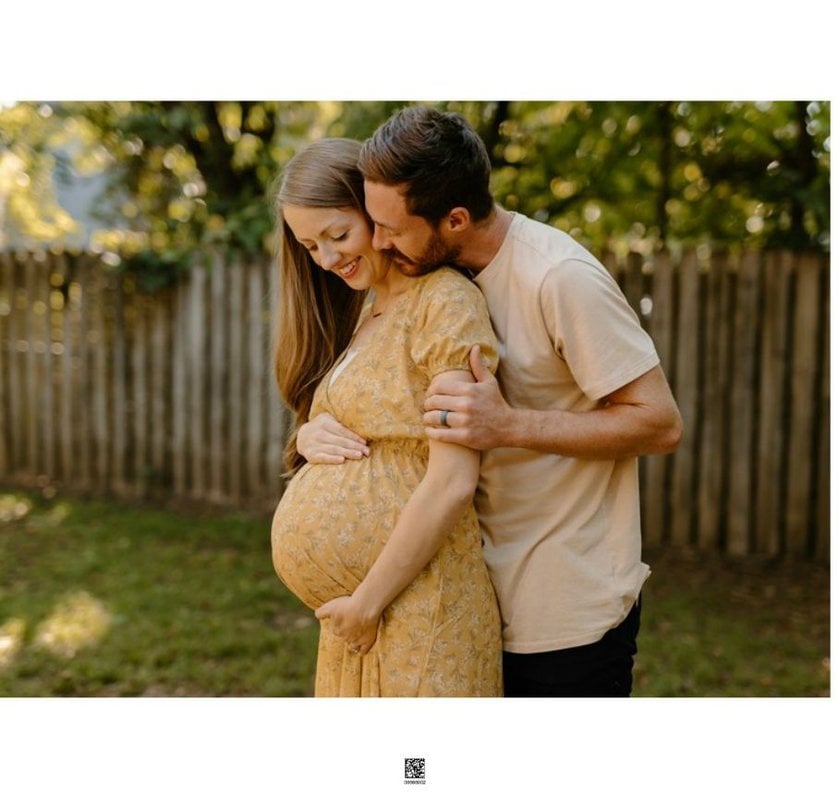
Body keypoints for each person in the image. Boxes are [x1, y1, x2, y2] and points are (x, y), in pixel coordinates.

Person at [299, 107, 683, 697]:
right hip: (473, 593)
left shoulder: (558, 277)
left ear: (455, 219)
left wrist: (508, 425)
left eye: (391, 228)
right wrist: (310, 433)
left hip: (562, 609)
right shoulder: (436, 284)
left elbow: (659, 424)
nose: (378, 242)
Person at [269, 137, 503, 697]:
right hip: (358, 617)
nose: (326, 260)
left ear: (375, 213)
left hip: (416, 603)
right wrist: (309, 435)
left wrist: (367, 603)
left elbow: (452, 480)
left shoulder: (442, 302)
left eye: (337, 235)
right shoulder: (365, 313)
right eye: (310, 246)